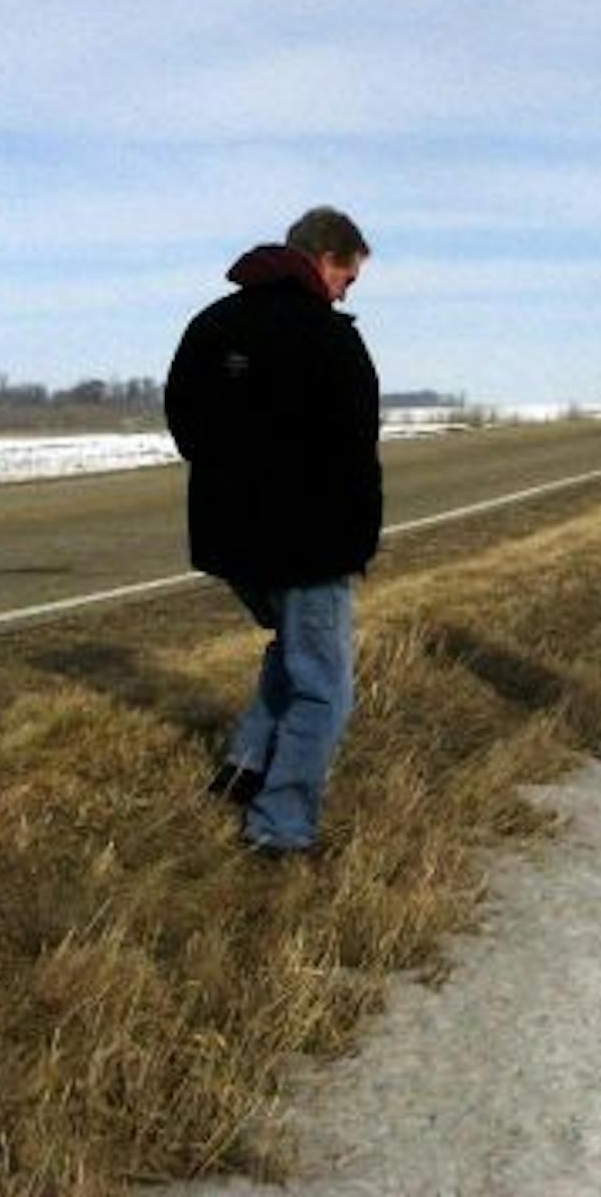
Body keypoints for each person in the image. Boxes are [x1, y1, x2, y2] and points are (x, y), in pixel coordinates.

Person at [164, 207, 382, 856]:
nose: (347, 290)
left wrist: (237, 481)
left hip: (233, 543)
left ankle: (245, 768)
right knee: (326, 686)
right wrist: (356, 538)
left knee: (294, 653)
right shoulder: (330, 339)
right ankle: (279, 828)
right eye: (348, 276)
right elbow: (355, 451)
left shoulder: (212, 324)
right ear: (324, 260)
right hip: (308, 546)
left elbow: (185, 425)